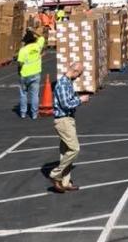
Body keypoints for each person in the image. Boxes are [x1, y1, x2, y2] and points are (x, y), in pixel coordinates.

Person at [49, 62, 89, 193]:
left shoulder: (67, 83)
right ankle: (56, 174)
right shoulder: (62, 84)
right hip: (63, 120)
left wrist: (77, 99)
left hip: (68, 119)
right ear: (75, 71)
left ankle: (65, 182)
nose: (79, 77)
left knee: (65, 151)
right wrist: (81, 100)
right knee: (74, 149)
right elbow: (66, 104)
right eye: (80, 74)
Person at [17, 30, 43, 119]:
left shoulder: (23, 50)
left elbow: (20, 62)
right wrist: (33, 31)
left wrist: (19, 70)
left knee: (23, 93)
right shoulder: (38, 46)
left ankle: (23, 113)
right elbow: (42, 37)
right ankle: (34, 114)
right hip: (36, 73)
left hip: (25, 74)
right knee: (35, 95)